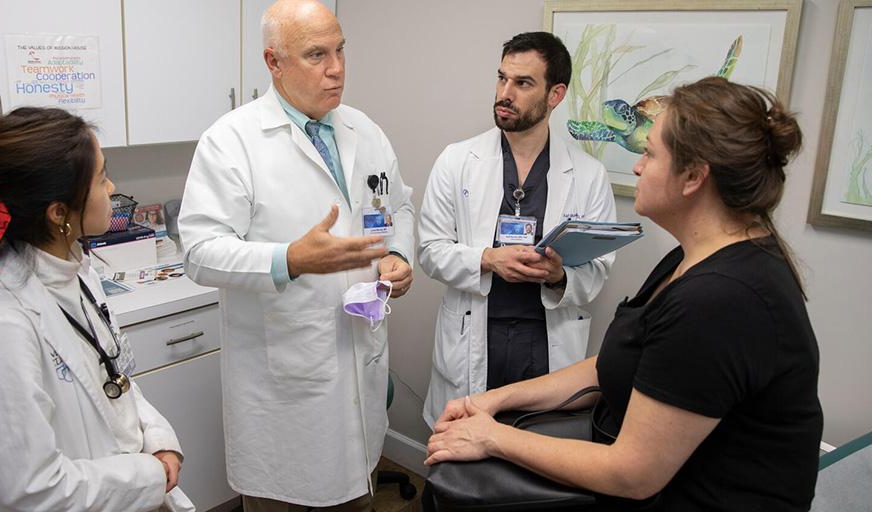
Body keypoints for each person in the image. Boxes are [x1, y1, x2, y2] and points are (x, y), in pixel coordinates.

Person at [425, 77, 823, 511]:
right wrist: (492, 400)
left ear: (693, 177)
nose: (637, 166)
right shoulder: (692, 260)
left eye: (650, 154)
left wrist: (494, 436)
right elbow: (619, 364)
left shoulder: (724, 299)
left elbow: (632, 473)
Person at [176, 0, 415, 510]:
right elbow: (198, 251)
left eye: (340, 49)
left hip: (361, 357)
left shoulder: (364, 129)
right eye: (316, 54)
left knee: (359, 492)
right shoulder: (231, 141)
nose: (337, 68)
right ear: (273, 62)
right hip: (285, 388)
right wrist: (290, 259)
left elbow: (399, 205)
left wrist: (398, 254)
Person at [0, 107, 195, 512]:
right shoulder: (0, 324)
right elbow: (34, 487)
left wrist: (159, 443)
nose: (112, 186)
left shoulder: (77, 270)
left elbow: (114, 374)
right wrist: (147, 474)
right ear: (59, 213)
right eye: (102, 177)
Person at [418, 32, 616, 427]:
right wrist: (487, 259)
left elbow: (599, 270)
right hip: (474, 333)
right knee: (460, 456)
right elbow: (429, 250)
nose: (504, 93)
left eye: (522, 83)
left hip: (546, 342)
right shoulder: (457, 160)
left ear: (555, 94)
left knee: (537, 460)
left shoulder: (590, 176)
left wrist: (559, 276)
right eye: (501, 78)